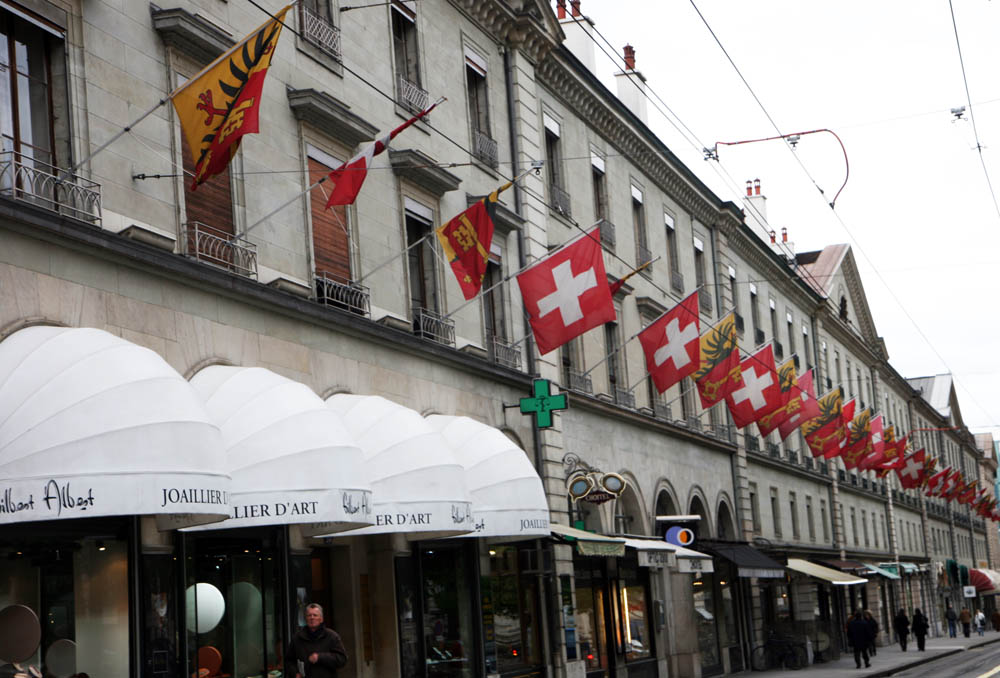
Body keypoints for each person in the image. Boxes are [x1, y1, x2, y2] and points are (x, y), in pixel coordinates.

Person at [286, 603, 348, 678]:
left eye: (315, 615)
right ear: (306, 619)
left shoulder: (332, 636)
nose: (312, 618)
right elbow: (289, 661)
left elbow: (342, 659)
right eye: (309, 615)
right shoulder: (297, 638)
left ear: (321, 619)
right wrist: (295, 673)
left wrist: (320, 657)